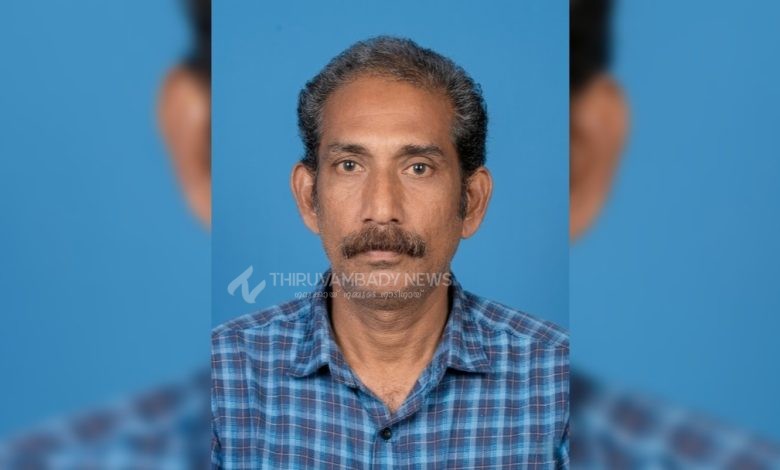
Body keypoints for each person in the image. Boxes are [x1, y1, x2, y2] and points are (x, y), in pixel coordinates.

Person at [211, 36, 569, 468]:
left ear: (472, 202)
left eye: (418, 168)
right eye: (350, 165)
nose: (382, 210)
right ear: (309, 198)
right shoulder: (221, 380)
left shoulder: (559, 382)